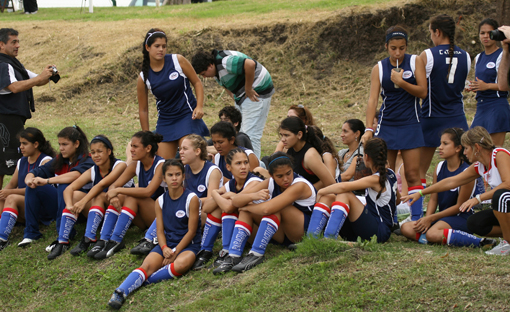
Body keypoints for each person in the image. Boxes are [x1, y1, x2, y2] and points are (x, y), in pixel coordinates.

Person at [107, 159, 201, 310]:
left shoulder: (192, 199)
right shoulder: (160, 200)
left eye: (178, 174)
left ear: (184, 176)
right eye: (170, 175)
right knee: (147, 265)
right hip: (167, 242)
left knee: (182, 264)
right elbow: (159, 230)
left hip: (188, 245)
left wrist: (175, 252)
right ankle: (121, 292)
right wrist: (164, 248)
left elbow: (192, 231)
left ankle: (143, 281)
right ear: (164, 178)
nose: (174, 178)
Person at [402, 127, 510, 255]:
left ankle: (507, 243)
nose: (464, 152)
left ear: (477, 147)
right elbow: (450, 181)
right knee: (475, 223)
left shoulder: (499, 154)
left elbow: (507, 184)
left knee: (500, 196)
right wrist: (420, 193)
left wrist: (478, 198)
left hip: (502, 200)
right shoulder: (479, 166)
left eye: (466, 148)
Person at [361, 25, 427, 223]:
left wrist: (402, 81)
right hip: (387, 124)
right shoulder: (379, 68)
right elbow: (373, 100)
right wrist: (369, 129)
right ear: (386, 46)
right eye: (393, 48)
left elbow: (423, 92)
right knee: (384, 173)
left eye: (402, 48)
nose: (398, 52)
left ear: (407, 46)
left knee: (412, 173)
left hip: (411, 123)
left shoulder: (415, 61)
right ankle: (389, 220)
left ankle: (417, 219)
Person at [213, 152, 316, 274]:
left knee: (277, 207)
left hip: (302, 233)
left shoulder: (299, 185)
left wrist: (247, 207)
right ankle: (234, 255)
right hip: (282, 234)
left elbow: (267, 209)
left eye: (289, 173)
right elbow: (236, 200)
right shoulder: (269, 182)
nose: (286, 179)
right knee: (248, 206)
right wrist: (253, 196)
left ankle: (256, 253)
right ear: (271, 175)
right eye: (280, 176)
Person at [131, 134, 223, 256]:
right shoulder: (184, 169)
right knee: (169, 206)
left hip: (205, 211)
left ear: (197, 151)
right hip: (188, 211)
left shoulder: (212, 171)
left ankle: (197, 243)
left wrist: (190, 203)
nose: (181, 152)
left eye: (185, 149)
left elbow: (212, 200)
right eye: (180, 149)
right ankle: (150, 239)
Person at [46, 135, 128, 260]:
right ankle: (63, 241)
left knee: (100, 195)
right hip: (102, 211)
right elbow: (69, 189)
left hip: (122, 211)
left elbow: (102, 184)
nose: (96, 155)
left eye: (100, 151)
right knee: (74, 195)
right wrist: (69, 206)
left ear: (109, 151)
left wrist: (83, 202)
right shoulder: (93, 170)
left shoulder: (120, 165)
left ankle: (96, 238)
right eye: (93, 152)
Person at [89, 131, 166, 260]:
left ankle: (116, 240)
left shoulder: (161, 164)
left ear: (148, 148)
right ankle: (104, 240)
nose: (131, 150)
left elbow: (148, 191)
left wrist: (119, 191)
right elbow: (113, 185)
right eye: (131, 146)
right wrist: (114, 195)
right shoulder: (136, 164)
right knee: (118, 196)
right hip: (144, 218)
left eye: (135, 146)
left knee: (131, 195)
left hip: (160, 218)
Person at [307, 138, 398, 243]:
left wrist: (321, 191)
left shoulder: (375, 179)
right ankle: (311, 239)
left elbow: (344, 187)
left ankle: (329, 240)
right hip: (375, 227)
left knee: (345, 194)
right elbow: (397, 200)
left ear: (366, 157)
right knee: (329, 197)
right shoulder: (391, 174)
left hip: (379, 232)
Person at [418, 14, 471, 192]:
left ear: (438, 32)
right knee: (467, 166)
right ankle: (467, 199)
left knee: (419, 170)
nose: (431, 37)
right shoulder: (466, 56)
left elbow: (420, 89)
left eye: (431, 33)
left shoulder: (427, 55)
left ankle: (416, 206)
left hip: (432, 117)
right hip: (457, 116)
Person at [138, 29, 208, 159]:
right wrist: (146, 134)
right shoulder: (143, 77)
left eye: (164, 46)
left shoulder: (177, 60)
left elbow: (197, 83)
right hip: (166, 121)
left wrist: (199, 106)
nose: (161, 50)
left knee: (189, 157)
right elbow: (143, 109)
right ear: (147, 47)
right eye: (157, 46)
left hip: (187, 116)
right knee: (164, 166)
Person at [192, 49, 275, 159]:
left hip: (257, 90)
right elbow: (226, 83)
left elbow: (250, 64)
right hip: (243, 95)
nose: (204, 77)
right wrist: (234, 97)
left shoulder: (225, 62)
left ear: (210, 65)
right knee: (239, 133)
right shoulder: (216, 70)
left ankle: (254, 167)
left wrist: (248, 88)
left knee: (250, 135)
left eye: (203, 73)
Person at [20, 126, 93, 248]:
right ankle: (31, 233)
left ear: (76, 144)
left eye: (65, 144)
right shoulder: (60, 159)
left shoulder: (88, 159)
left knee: (65, 186)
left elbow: (74, 175)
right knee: (34, 186)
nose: (61, 148)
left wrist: (47, 180)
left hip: (80, 208)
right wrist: (30, 178)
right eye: (59, 144)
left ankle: (64, 234)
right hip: (61, 206)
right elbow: (40, 170)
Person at [0, 28, 56, 189]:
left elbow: (37, 80)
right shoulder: (3, 64)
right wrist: (40, 77)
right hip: (5, 119)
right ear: (1, 44)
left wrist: (47, 74)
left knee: (11, 161)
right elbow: (14, 87)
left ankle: (10, 201)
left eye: (18, 42)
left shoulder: (13, 64)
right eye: (13, 42)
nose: (18, 45)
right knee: (3, 163)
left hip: (12, 119)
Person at [195, 148, 263, 271]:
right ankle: (205, 250)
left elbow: (228, 207)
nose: (243, 167)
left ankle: (228, 251)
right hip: (246, 229)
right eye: (238, 163)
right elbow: (206, 208)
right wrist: (216, 194)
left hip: (260, 231)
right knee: (217, 207)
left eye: (245, 163)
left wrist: (221, 195)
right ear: (228, 167)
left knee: (227, 207)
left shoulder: (254, 181)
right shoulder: (231, 184)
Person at [0, 127, 54, 250]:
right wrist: (3, 193)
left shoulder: (46, 161)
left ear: (36, 144)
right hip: (24, 203)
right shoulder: (22, 161)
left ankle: (2, 239)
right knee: (2, 198)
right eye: (20, 143)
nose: (21, 147)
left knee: (12, 198)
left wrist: (9, 192)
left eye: (25, 143)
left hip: (40, 207)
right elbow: (11, 184)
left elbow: (36, 190)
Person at [468, 18, 510, 147]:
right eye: (482, 33)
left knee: (493, 151)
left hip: (496, 105)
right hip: (481, 106)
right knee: (473, 146)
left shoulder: (503, 54)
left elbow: (505, 86)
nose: (486, 36)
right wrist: (474, 87)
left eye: (489, 32)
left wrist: (486, 86)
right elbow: (480, 82)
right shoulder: (478, 57)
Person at [276, 116, 335, 190]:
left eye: (286, 135)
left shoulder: (310, 155)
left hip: (308, 197)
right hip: (293, 192)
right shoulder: (287, 149)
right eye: (281, 135)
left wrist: (308, 192)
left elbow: (330, 183)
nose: (282, 139)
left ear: (299, 135)